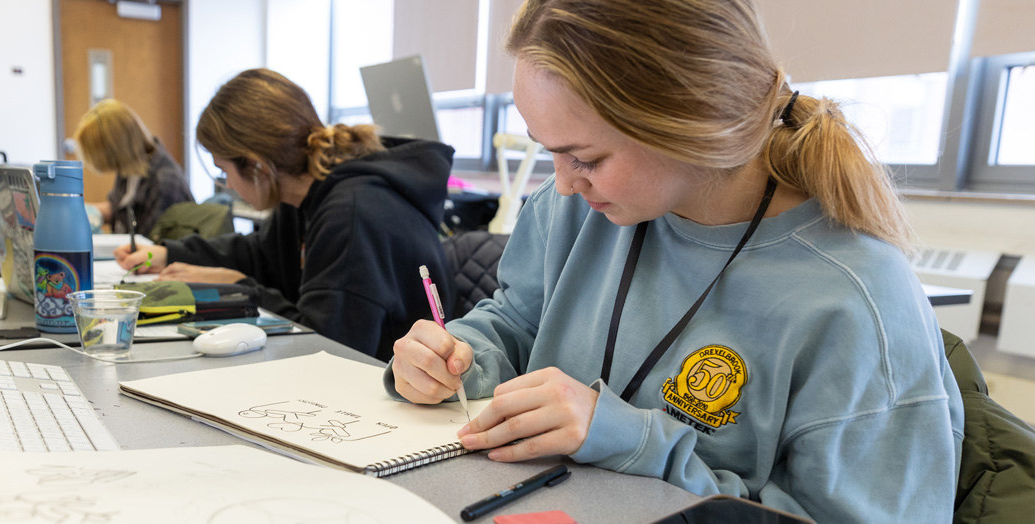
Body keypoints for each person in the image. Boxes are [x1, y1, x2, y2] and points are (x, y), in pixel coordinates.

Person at [386, 1, 964, 522]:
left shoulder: (855, 304)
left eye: (584, 156)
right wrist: (456, 355)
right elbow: (516, 322)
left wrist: (625, 438)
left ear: (692, 125)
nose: (561, 184)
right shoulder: (575, 211)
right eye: (549, 151)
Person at [115, 69, 455, 362]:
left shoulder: (350, 215)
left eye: (225, 170)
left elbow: (326, 345)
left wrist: (238, 288)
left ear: (258, 165)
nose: (228, 185)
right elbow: (260, 254)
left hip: (388, 396)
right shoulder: (304, 197)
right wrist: (169, 253)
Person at [74, 99, 193, 235]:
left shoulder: (163, 183)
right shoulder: (130, 168)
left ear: (113, 150)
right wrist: (78, 210)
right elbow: (118, 208)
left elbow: (150, 244)